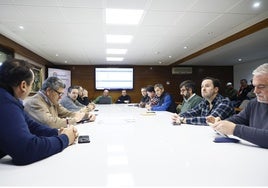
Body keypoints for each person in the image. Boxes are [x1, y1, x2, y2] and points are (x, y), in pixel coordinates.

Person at [0, 59, 78, 165]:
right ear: (23, 86)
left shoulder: (10, 99)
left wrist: (58, 132)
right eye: (31, 84)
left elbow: (32, 126)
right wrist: (65, 139)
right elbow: (26, 149)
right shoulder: (5, 102)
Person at [208, 63, 268, 148]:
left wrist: (235, 129)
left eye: (261, 86)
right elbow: (239, 119)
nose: (255, 91)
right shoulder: (253, 103)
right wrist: (221, 123)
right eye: (254, 86)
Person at [24, 77, 95, 129]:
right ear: (49, 91)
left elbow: (67, 113)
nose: (60, 97)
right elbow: (50, 123)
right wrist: (74, 120)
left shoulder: (52, 101)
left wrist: (86, 116)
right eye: (59, 94)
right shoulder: (34, 102)